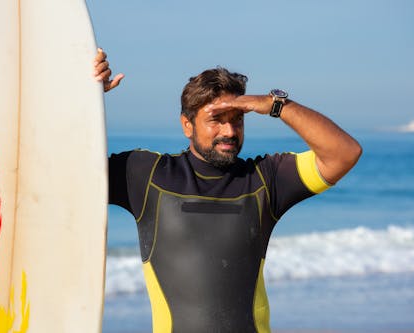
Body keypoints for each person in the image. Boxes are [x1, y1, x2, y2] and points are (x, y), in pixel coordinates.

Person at [94, 49, 362, 333]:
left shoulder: (263, 179)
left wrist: (276, 105)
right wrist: (86, 97)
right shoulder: (146, 176)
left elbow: (344, 153)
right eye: (216, 120)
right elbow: (60, 172)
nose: (230, 131)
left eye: (237, 118)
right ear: (187, 125)